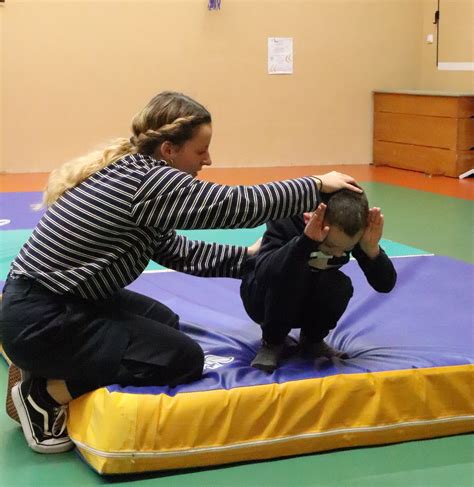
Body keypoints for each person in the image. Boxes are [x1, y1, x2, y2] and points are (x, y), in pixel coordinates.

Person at [0, 91, 362, 453]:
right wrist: (314, 185)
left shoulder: (133, 172)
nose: (208, 159)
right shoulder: (150, 182)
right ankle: (44, 394)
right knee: (182, 359)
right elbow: (235, 206)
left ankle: (46, 365)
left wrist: (248, 259)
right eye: (200, 151)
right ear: (169, 150)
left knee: (164, 321)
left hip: (48, 305)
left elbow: (173, 250)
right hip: (41, 320)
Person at [240, 189, 397, 372]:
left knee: (339, 285)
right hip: (261, 298)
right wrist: (305, 242)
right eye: (331, 246)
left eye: (347, 248)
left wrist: (372, 250)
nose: (339, 254)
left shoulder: (348, 227)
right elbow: (265, 275)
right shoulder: (287, 215)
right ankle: (272, 342)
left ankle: (313, 339)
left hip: (307, 295)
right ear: (318, 220)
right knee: (291, 277)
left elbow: (385, 285)